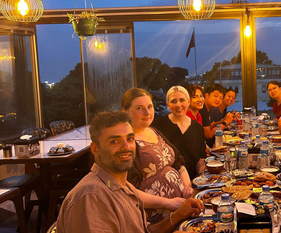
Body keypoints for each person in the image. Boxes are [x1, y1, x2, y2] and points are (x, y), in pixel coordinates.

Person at [56, 111, 204, 233]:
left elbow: (146, 230)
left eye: (130, 138)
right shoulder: (91, 197)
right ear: (95, 148)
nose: (126, 146)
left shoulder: (122, 186)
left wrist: (178, 215)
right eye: (115, 141)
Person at [122, 88, 193, 223]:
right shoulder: (127, 143)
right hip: (157, 218)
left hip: (179, 207)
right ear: (125, 111)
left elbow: (178, 162)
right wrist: (168, 203)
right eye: (139, 108)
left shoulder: (154, 131)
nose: (147, 112)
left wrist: (187, 188)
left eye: (149, 106)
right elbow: (128, 190)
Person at [153, 86, 207, 179]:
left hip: (193, 180)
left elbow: (200, 160)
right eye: (173, 101)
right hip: (168, 182)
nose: (178, 105)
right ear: (168, 104)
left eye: (182, 100)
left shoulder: (197, 128)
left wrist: (202, 176)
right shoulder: (157, 126)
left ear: (188, 102)